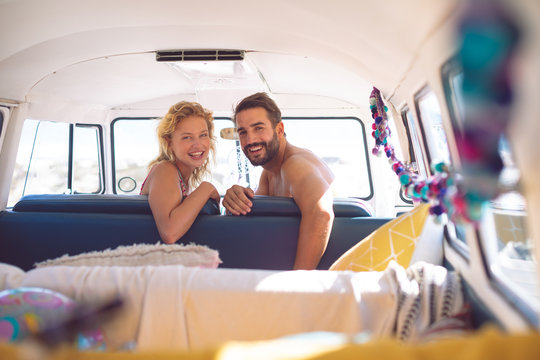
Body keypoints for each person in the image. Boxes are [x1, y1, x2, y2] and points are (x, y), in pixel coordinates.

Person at [222, 92, 335, 270]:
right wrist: (234, 199)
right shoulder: (269, 173)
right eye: (243, 132)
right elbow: (252, 218)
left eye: (258, 128)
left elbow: (321, 214)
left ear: (279, 130)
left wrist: (297, 284)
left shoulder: (295, 165)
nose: (250, 140)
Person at [140, 101, 220, 244]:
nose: (198, 144)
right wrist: (206, 188)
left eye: (203, 135)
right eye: (187, 137)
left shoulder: (181, 178)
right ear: (169, 143)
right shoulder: (165, 170)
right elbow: (169, 233)